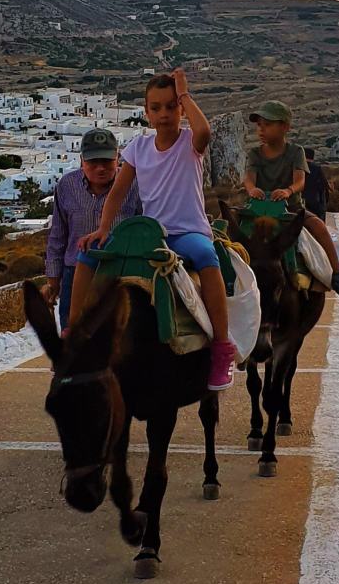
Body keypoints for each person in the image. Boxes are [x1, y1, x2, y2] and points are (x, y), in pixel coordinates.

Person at [73, 69, 239, 391]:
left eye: (170, 106)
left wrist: (185, 94)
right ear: (146, 112)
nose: (163, 114)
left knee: (206, 256)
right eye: (156, 107)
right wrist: (104, 228)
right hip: (152, 233)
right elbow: (118, 191)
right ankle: (76, 334)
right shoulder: (138, 147)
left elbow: (204, 129)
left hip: (188, 231)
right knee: (88, 256)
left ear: (179, 110)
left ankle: (221, 347)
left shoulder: (191, 143)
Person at [244, 101, 339, 302]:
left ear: (285, 127)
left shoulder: (296, 152)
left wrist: (288, 191)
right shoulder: (254, 153)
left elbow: (300, 181)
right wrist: (253, 190)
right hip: (258, 208)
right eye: (259, 125)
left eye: (267, 124)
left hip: (291, 208)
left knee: (318, 227)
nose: (261, 129)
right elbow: (249, 178)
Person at [44, 128, 142, 327]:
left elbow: (141, 225)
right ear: (81, 160)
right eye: (93, 162)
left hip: (120, 271)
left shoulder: (134, 185)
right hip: (73, 274)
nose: (100, 168)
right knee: (74, 337)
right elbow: (58, 235)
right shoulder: (66, 186)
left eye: (106, 161)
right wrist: (53, 279)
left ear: (117, 158)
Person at [303, 147, 329, 221]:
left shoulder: (297, 168)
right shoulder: (317, 169)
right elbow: (324, 186)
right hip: (314, 202)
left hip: (299, 202)